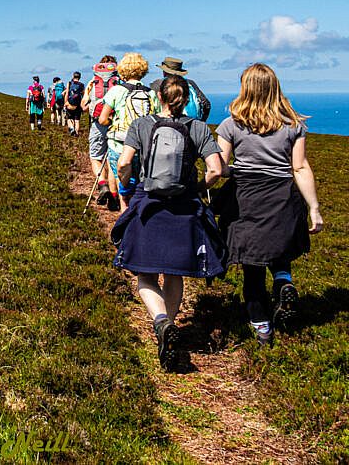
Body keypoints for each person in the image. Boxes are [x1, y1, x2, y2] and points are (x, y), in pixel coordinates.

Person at [111, 75, 226, 371]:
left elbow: (124, 163)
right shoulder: (198, 128)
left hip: (150, 204)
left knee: (145, 275)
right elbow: (215, 169)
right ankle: (170, 325)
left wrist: (127, 183)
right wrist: (199, 189)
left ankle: (161, 323)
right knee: (175, 273)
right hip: (185, 206)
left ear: (158, 97)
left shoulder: (142, 125)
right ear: (187, 99)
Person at [214, 63, 323, 346]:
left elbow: (222, 167)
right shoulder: (293, 126)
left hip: (246, 198)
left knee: (252, 266)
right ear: (275, 88)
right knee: (278, 249)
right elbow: (299, 168)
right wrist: (314, 207)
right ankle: (283, 282)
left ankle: (262, 328)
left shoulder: (230, 125)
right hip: (282, 197)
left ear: (245, 89)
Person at [99, 52, 161, 212]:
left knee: (125, 192)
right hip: (144, 146)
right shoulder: (151, 93)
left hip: (119, 145)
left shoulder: (116, 91)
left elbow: (102, 119)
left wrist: (114, 122)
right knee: (141, 189)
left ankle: (125, 227)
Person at [82, 57, 119, 208]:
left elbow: (84, 106)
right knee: (111, 159)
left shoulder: (93, 82)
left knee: (96, 157)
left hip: (97, 124)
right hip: (114, 123)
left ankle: (102, 184)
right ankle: (114, 196)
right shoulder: (119, 82)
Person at [150, 57, 211, 122]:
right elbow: (206, 104)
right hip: (190, 122)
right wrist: (201, 121)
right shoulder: (190, 83)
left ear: (164, 71)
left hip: (165, 123)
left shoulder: (157, 84)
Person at [64, 71, 84, 137]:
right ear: (80, 77)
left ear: (73, 76)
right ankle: (77, 134)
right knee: (77, 120)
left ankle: (72, 129)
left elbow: (67, 93)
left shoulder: (69, 83)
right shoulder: (81, 85)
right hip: (78, 105)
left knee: (69, 118)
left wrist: (66, 102)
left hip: (70, 104)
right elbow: (83, 95)